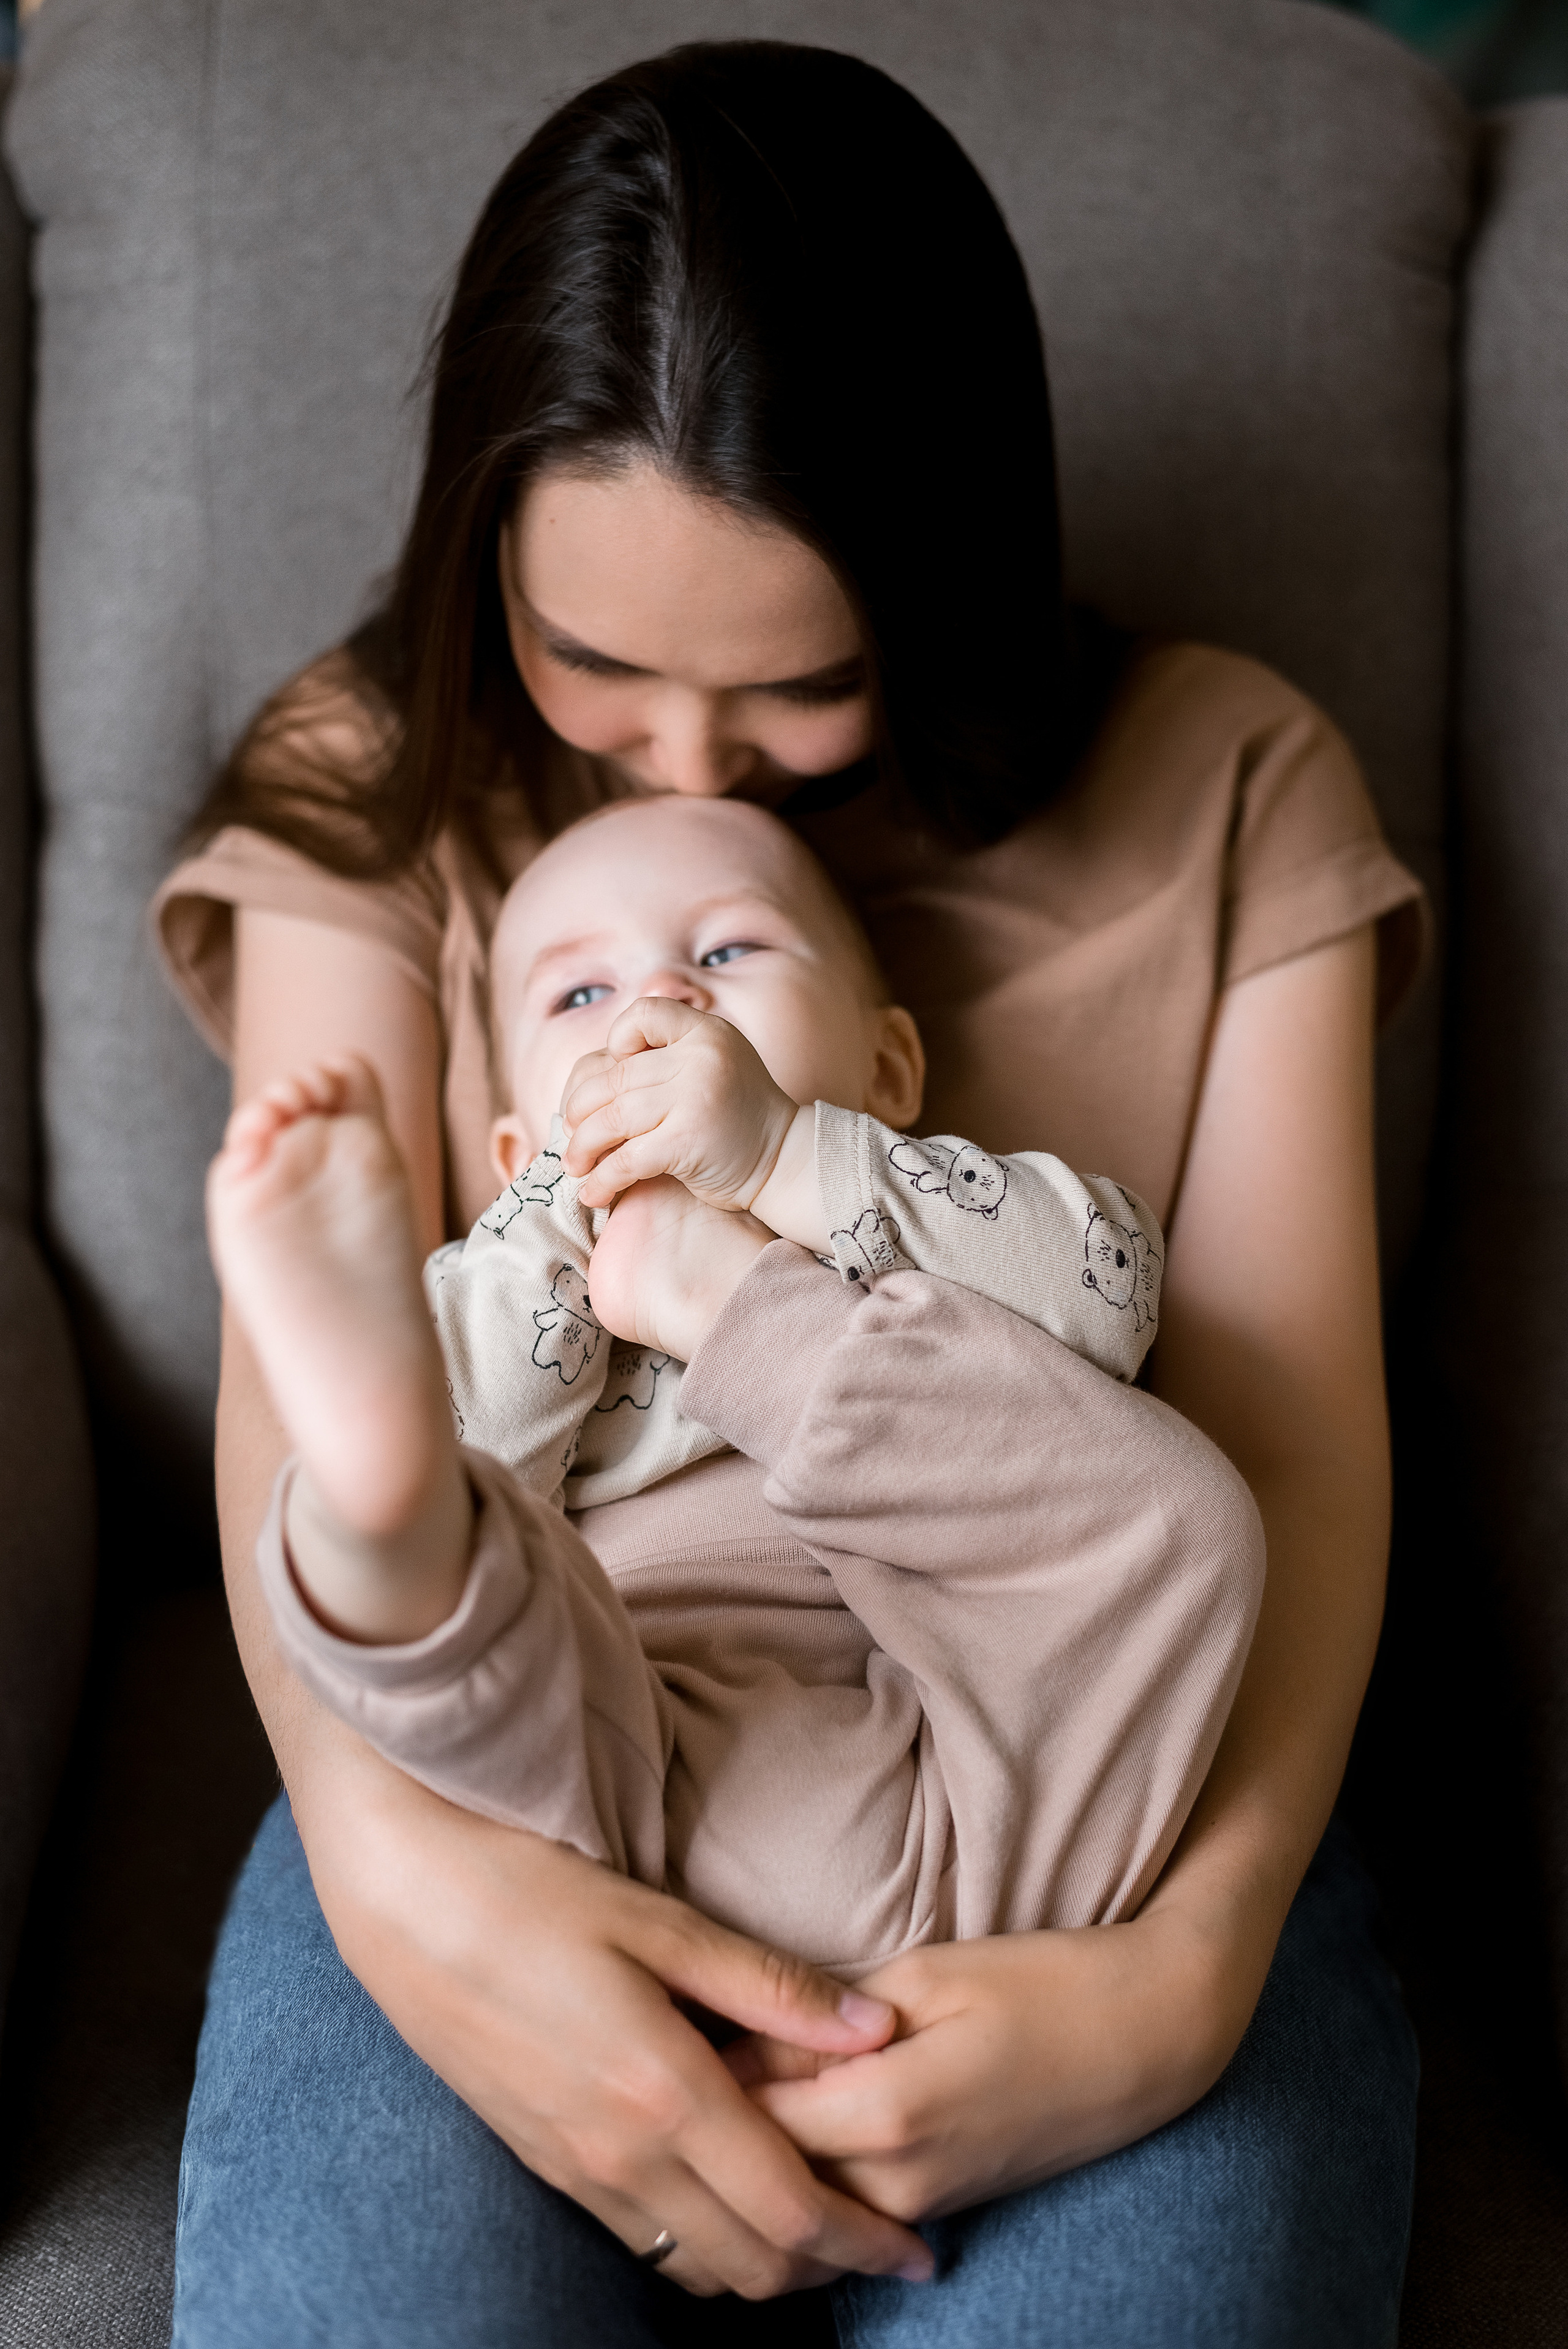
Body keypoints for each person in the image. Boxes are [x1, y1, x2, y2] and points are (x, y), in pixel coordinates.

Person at [156, 38, 1427, 2346]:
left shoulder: (1235, 781)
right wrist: (404, 1888)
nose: (686, 764)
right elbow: (285, 1418)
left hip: (1093, 1785)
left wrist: (1191, 1963)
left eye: (806, 682)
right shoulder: (380, 778)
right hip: (520, 1765)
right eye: (588, 663)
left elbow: (1305, 1457)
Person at [206, 792, 1262, 1993]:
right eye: (579, 998)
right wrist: (566, 1198)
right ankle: (372, 1488)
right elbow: (488, 1448)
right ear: (509, 1154)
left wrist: (778, 1159)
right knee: (464, 1585)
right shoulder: (507, 1277)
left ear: (888, 1063)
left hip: (998, 1754)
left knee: (1185, 1518)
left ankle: (712, 1322)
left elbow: (1105, 1294)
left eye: (724, 953)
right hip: (621, 1746)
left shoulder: (917, 1204)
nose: (660, 1006)